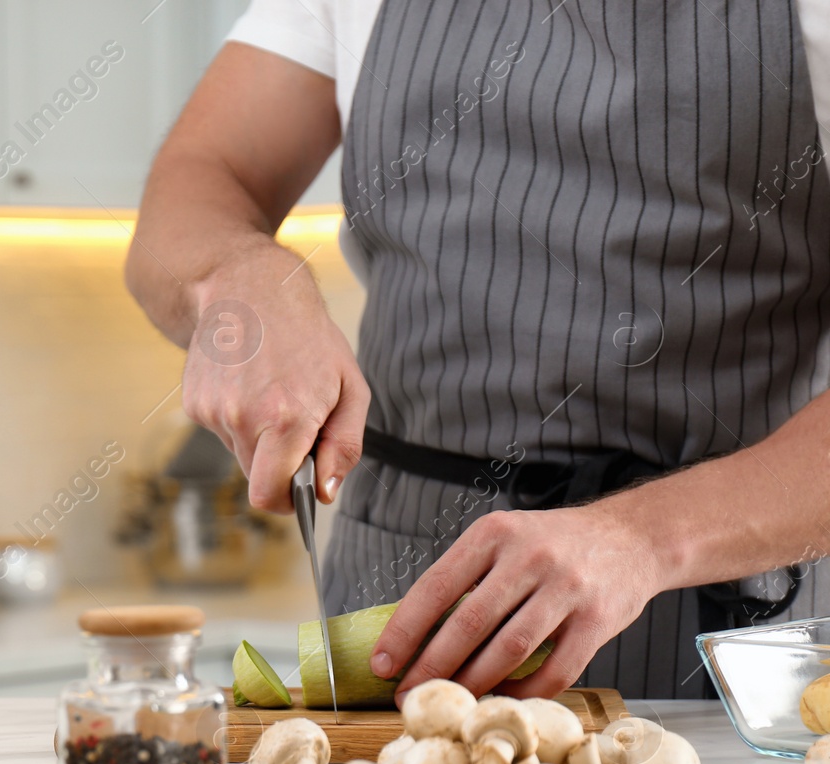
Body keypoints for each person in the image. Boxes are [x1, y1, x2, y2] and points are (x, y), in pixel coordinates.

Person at [126, 0, 830, 700]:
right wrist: (236, 278)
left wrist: (642, 538)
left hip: (739, 628)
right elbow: (205, 171)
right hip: (400, 580)